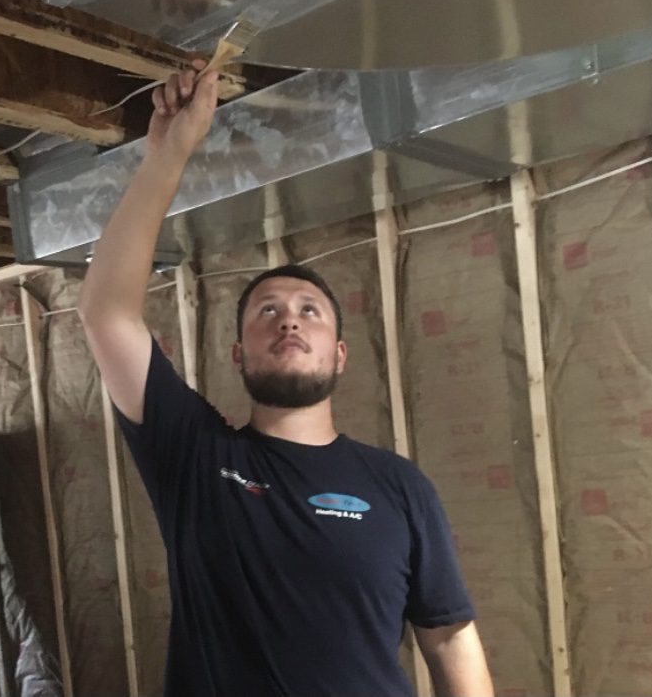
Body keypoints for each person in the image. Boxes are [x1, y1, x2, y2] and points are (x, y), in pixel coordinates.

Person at [78, 62, 494, 697]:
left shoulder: (400, 486)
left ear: (340, 355)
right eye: (267, 312)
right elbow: (106, 311)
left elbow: (449, 637)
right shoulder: (196, 458)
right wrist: (168, 153)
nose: (289, 321)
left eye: (310, 312)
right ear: (239, 354)